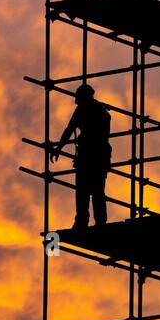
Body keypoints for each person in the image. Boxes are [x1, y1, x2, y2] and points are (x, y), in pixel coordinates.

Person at [50, 84, 111, 230]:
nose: (75, 97)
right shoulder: (96, 110)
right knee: (92, 191)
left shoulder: (90, 110)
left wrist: (59, 147)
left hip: (93, 155)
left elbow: (70, 129)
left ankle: (87, 221)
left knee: (88, 190)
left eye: (78, 94)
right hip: (94, 155)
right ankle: (94, 221)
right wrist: (59, 147)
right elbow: (70, 129)